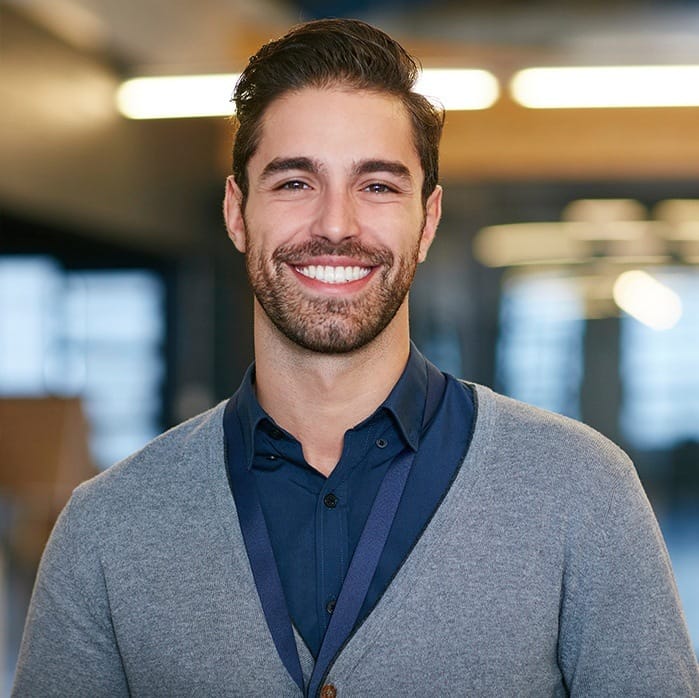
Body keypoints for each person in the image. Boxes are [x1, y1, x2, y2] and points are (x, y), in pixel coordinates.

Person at [12, 18, 699, 698]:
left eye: (376, 185)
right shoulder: (107, 525)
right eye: (293, 183)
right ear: (236, 212)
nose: (336, 224)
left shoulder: (581, 489)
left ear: (425, 221)